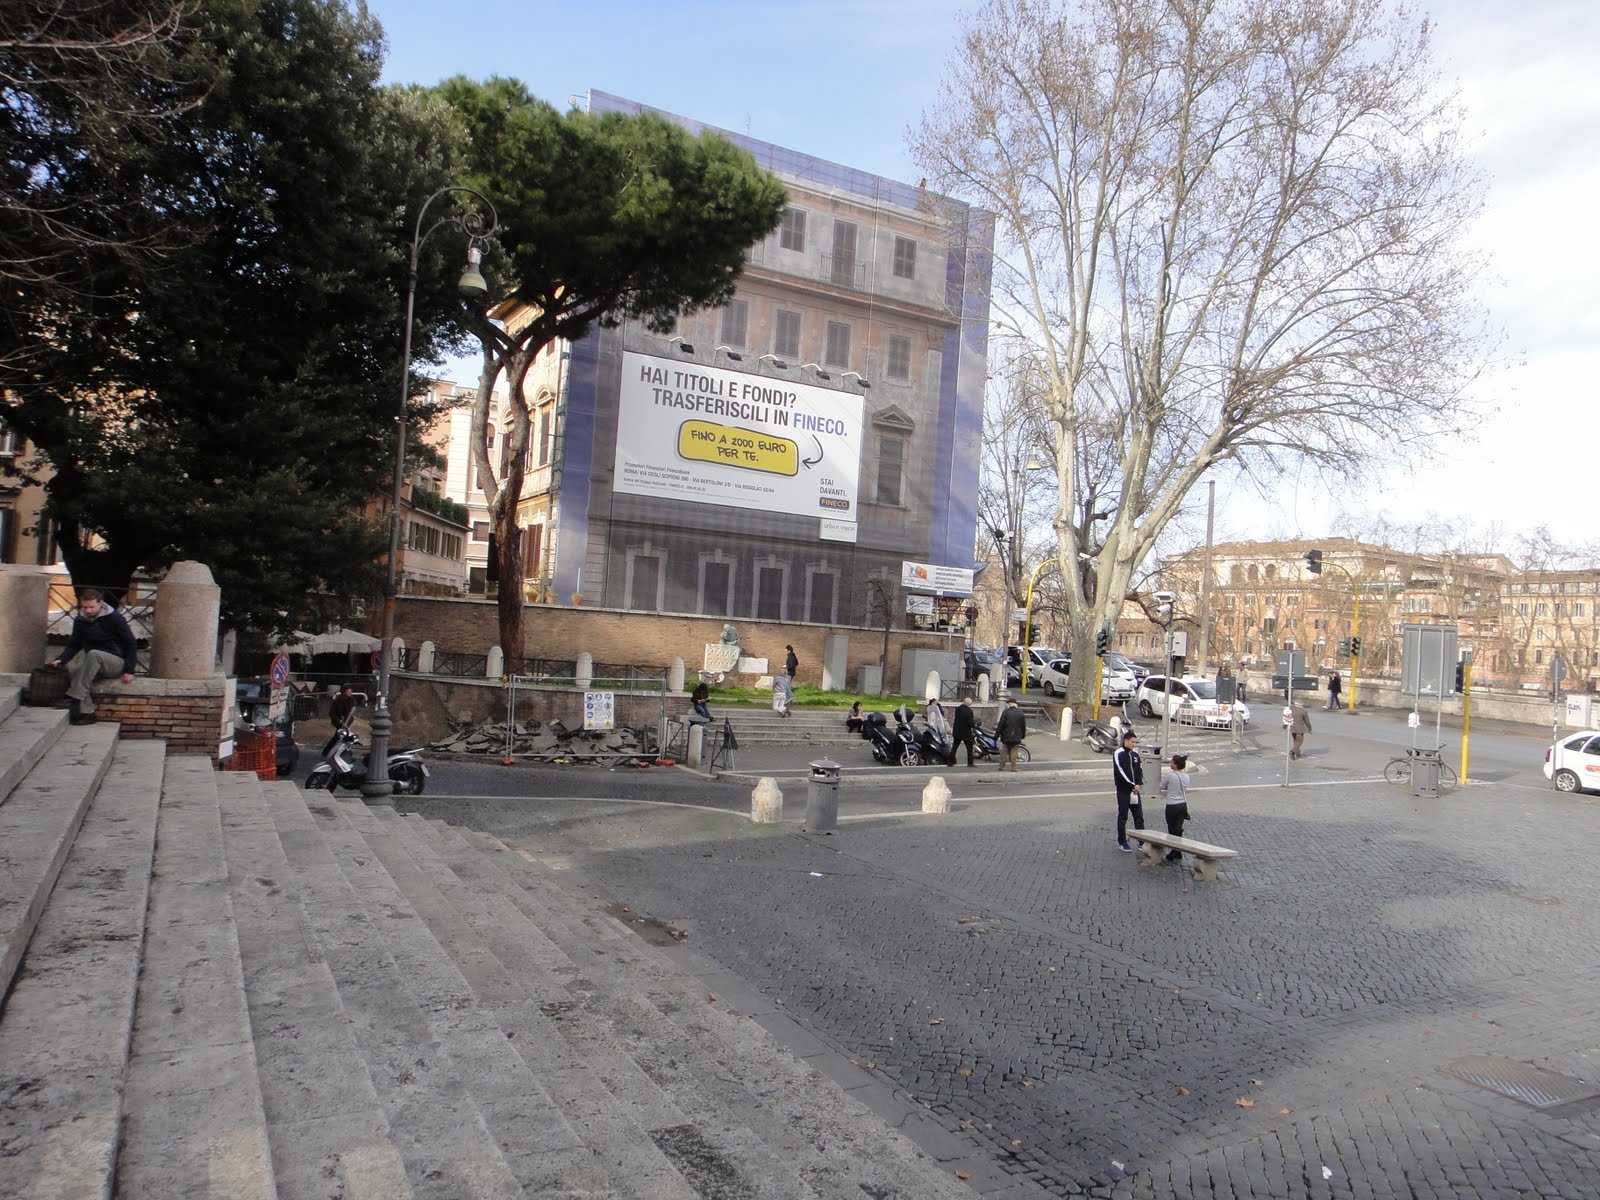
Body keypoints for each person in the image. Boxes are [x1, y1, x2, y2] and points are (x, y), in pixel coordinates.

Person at [47, 588, 137, 726]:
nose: (88, 610)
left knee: (94, 654)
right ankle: (87, 714)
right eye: (85, 607)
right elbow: (75, 644)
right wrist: (61, 659)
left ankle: (74, 697)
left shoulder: (115, 618)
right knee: (76, 671)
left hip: (117, 662)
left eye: (92, 607)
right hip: (94, 663)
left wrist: (129, 670)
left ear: (100, 604)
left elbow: (130, 643)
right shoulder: (80, 620)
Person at [1112, 729, 1145, 852]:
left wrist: (1138, 784)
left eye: (1136, 742)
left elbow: (1139, 771)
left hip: (1135, 791)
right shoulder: (1118, 753)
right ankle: (1122, 841)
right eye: (1132, 742)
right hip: (1124, 791)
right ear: (1126, 741)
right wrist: (1132, 785)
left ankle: (1142, 841)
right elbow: (1120, 771)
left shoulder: (1135, 755)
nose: (1134, 744)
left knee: (1139, 817)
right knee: (1123, 816)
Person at [1160, 753, 1191, 862]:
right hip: (1182, 804)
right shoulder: (1186, 776)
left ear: (1175, 764)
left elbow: (1162, 786)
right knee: (1178, 828)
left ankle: (1174, 851)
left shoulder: (1170, 775)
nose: (1170, 763)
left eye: (1172, 762)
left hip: (1172, 805)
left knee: (1172, 829)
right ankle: (1177, 852)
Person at [995, 696, 1027, 772]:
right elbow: (1023, 726)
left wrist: (996, 735)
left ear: (1009, 704)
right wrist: (1023, 735)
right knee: (1014, 751)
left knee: (1004, 751)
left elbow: (1001, 725)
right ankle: (1013, 767)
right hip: (1017, 736)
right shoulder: (1020, 713)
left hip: (1006, 735)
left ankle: (1001, 766)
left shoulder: (1005, 712)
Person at [947, 699, 977, 767]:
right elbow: (970, 722)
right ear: (969, 704)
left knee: (954, 747)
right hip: (966, 732)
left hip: (957, 731)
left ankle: (950, 762)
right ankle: (970, 763)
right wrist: (974, 725)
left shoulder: (958, 709)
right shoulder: (969, 711)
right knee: (969, 748)